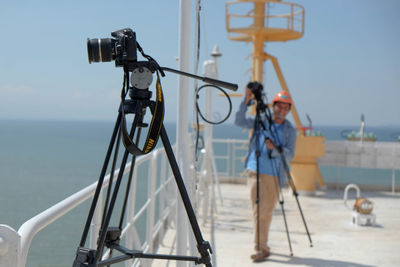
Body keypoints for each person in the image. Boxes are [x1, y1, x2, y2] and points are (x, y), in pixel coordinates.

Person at [235, 83, 297, 262]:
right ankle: (261, 246)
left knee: (265, 211)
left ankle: (261, 246)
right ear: (274, 106)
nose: (281, 110)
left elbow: (290, 154)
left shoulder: (289, 130)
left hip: (273, 174)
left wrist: (276, 148)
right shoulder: (261, 120)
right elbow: (239, 121)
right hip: (254, 169)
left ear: (288, 110)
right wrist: (246, 100)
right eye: (279, 105)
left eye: (285, 107)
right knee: (257, 210)